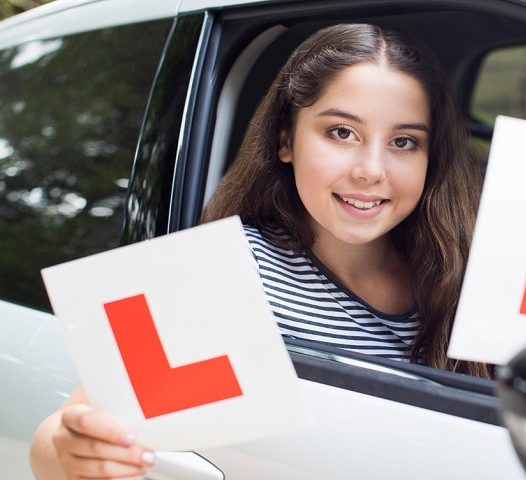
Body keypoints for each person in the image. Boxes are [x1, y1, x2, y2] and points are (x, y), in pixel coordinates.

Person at [29, 23, 488, 479]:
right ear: (286, 140)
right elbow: (61, 437)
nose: (371, 170)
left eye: (403, 142)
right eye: (342, 133)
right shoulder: (218, 272)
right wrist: (69, 451)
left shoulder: (467, 273)